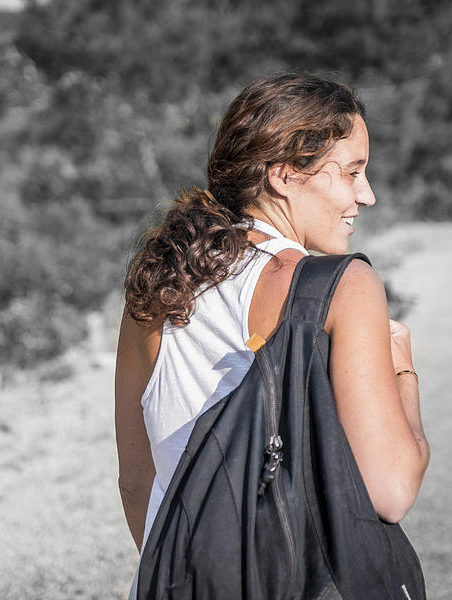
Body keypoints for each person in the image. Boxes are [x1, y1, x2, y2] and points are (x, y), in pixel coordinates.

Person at [114, 72, 430, 595]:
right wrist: (403, 369)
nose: (367, 195)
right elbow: (391, 490)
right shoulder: (341, 286)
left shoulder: (156, 286)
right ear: (284, 174)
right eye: (352, 172)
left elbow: (136, 482)